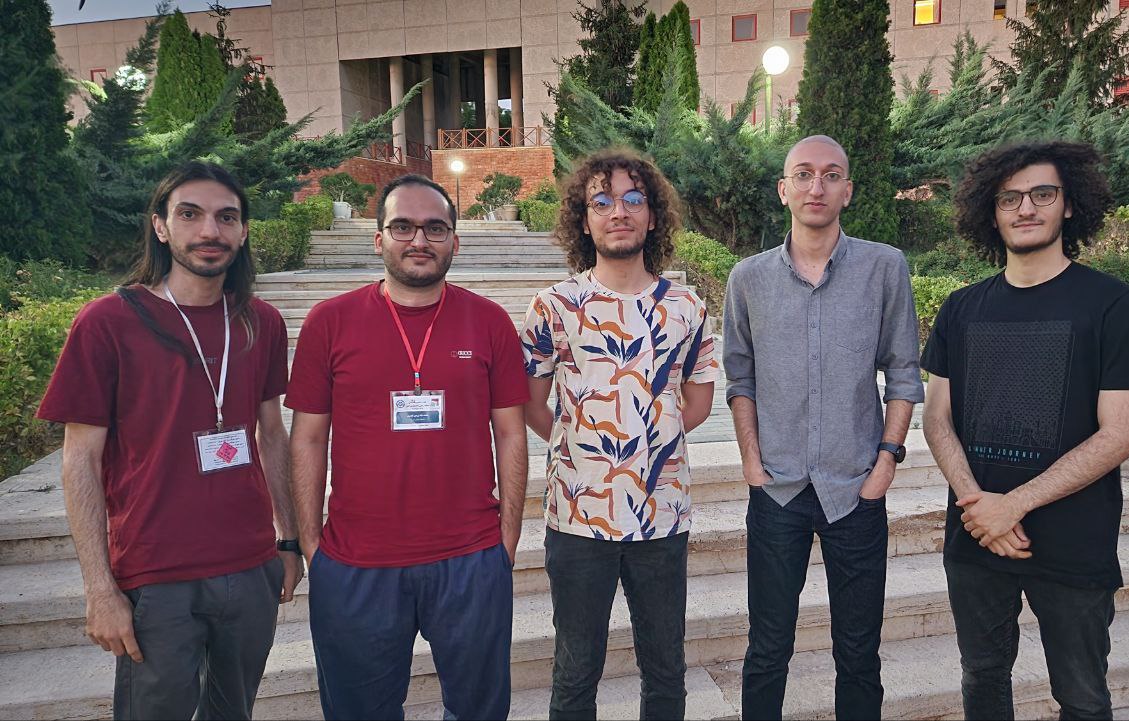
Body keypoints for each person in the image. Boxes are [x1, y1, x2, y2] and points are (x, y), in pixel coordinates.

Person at [37, 161, 300, 720]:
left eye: (226, 217)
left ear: (243, 232)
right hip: (155, 577)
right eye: (190, 214)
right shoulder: (107, 322)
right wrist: (99, 589)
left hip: (249, 566)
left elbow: (272, 433)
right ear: (160, 226)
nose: (210, 230)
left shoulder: (261, 322)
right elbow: (80, 460)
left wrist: (288, 541)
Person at [921, 140, 1129, 720]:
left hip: (1074, 542)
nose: (1025, 208)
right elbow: (936, 418)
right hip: (977, 539)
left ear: (1070, 204)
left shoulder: (1114, 305)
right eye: (1009, 198)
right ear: (991, 212)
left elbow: (1120, 434)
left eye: (1042, 194)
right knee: (983, 678)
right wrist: (978, 505)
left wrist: (1014, 505)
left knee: (1082, 698)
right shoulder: (961, 308)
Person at [287, 174, 528, 720]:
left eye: (435, 228)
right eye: (403, 226)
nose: (419, 240)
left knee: (479, 711)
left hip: (469, 557)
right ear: (379, 239)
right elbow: (307, 438)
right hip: (356, 562)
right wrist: (312, 546)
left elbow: (511, 432)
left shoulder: (489, 321)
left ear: (455, 242)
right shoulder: (329, 322)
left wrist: (506, 539)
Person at [721, 135, 924, 720]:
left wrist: (886, 462)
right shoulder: (748, 278)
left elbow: (904, 371)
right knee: (767, 650)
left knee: (858, 653)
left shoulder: (884, 268)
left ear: (848, 191)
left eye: (831, 175)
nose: (817, 186)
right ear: (783, 190)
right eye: (804, 174)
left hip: (856, 488)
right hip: (777, 490)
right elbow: (740, 377)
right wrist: (752, 464)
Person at [520, 148, 718, 720]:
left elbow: (698, 403)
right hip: (577, 518)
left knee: (666, 669)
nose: (619, 212)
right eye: (602, 202)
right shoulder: (554, 306)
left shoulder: (686, 307)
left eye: (634, 199)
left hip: (662, 515)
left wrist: (649, 436)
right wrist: (579, 444)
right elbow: (532, 403)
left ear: (653, 216)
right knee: (575, 671)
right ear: (584, 221)